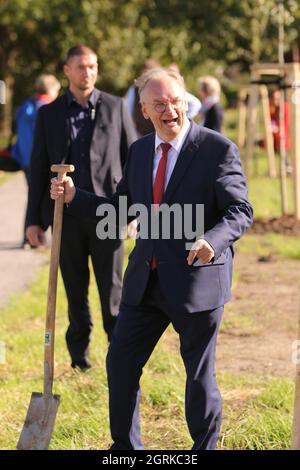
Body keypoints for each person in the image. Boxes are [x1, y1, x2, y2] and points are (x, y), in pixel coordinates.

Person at [51, 67, 253, 449]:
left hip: (198, 279)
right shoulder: (141, 151)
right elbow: (120, 208)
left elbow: (239, 210)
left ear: (186, 103)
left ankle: (202, 449)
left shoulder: (216, 149)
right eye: (159, 104)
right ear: (144, 110)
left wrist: (213, 239)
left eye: (175, 102)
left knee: (198, 374)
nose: (169, 110)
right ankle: (126, 449)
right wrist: (75, 197)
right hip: (146, 280)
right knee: (121, 363)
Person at [26, 45, 137, 370]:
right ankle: (79, 360)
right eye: (80, 67)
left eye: (92, 66)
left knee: (113, 291)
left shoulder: (115, 107)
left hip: (109, 213)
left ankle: (120, 360)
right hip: (66, 217)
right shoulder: (50, 113)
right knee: (75, 290)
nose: (87, 72)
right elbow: (38, 165)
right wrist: (33, 220)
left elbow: (134, 159)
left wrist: (134, 214)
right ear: (67, 71)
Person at [0, 74, 61, 246]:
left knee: (33, 195)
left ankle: (29, 237)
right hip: (41, 160)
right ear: (50, 90)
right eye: (56, 90)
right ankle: (33, 236)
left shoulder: (25, 105)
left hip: (24, 158)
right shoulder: (50, 108)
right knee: (42, 196)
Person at [125, 58, 161, 137]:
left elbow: (194, 104)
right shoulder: (134, 90)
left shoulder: (164, 88)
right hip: (140, 135)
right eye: (145, 72)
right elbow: (127, 113)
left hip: (161, 134)